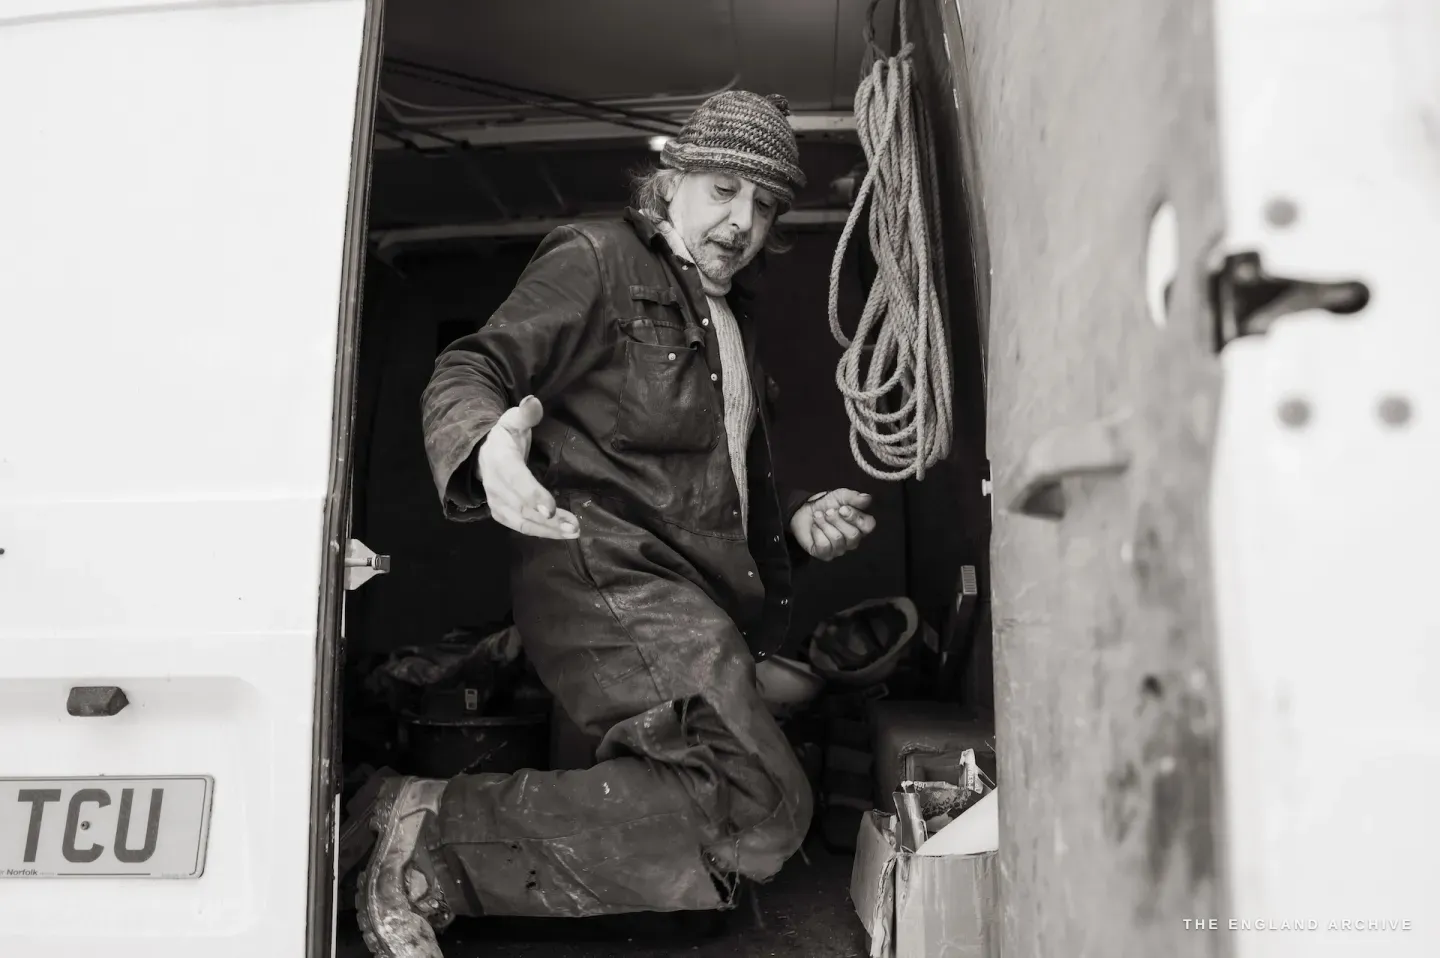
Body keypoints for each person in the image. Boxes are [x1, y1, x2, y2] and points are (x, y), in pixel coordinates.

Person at [355, 90, 879, 958]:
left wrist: (797, 523)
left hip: (690, 595)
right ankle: (431, 834)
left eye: (764, 204)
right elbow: (472, 364)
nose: (741, 222)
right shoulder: (598, 259)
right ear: (669, 181)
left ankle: (425, 833)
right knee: (763, 801)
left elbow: (714, 494)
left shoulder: (736, 324)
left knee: (750, 814)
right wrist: (490, 448)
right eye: (721, 189)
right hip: (605, 574)